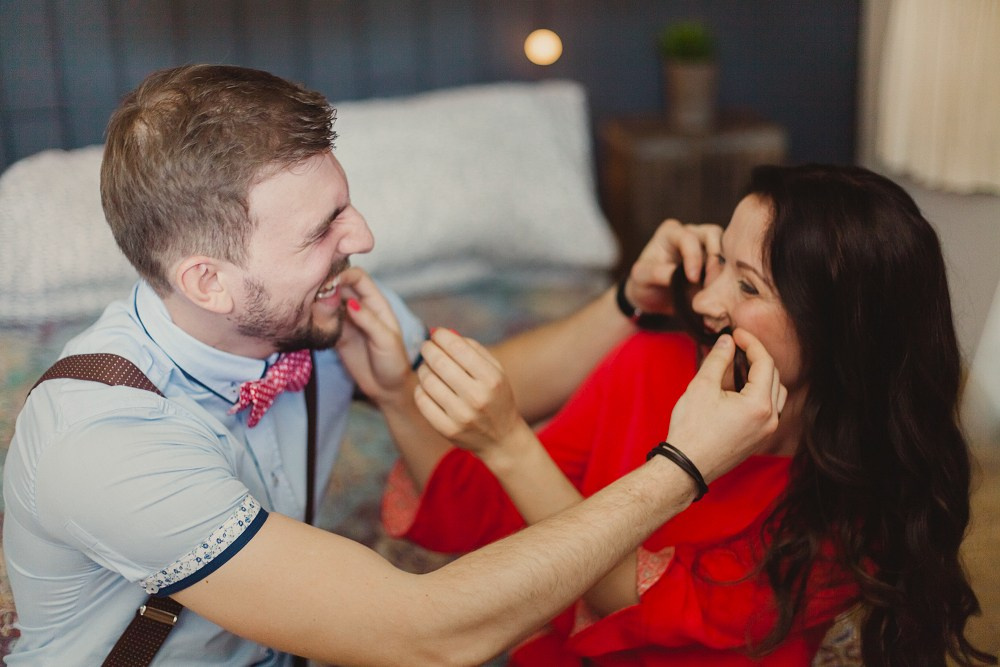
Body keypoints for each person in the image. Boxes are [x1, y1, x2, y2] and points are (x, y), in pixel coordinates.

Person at [0, 64, 786, 665]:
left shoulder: (313, 307)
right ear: (208, 279)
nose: (364, 236)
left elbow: (481, 379)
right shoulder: (104, 439)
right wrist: (682, 465)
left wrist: (624, 301)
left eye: (346, 202)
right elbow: (428, 632)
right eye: (322, 229)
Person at [386, 164, 998, 666]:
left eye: (749, 286)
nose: (705, 300)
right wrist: (392, 392)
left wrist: (511, 443)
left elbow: (614, 593)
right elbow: (498, 518)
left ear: (840, 330)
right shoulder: (654, 360)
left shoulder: (852, 509)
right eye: (721, 261)